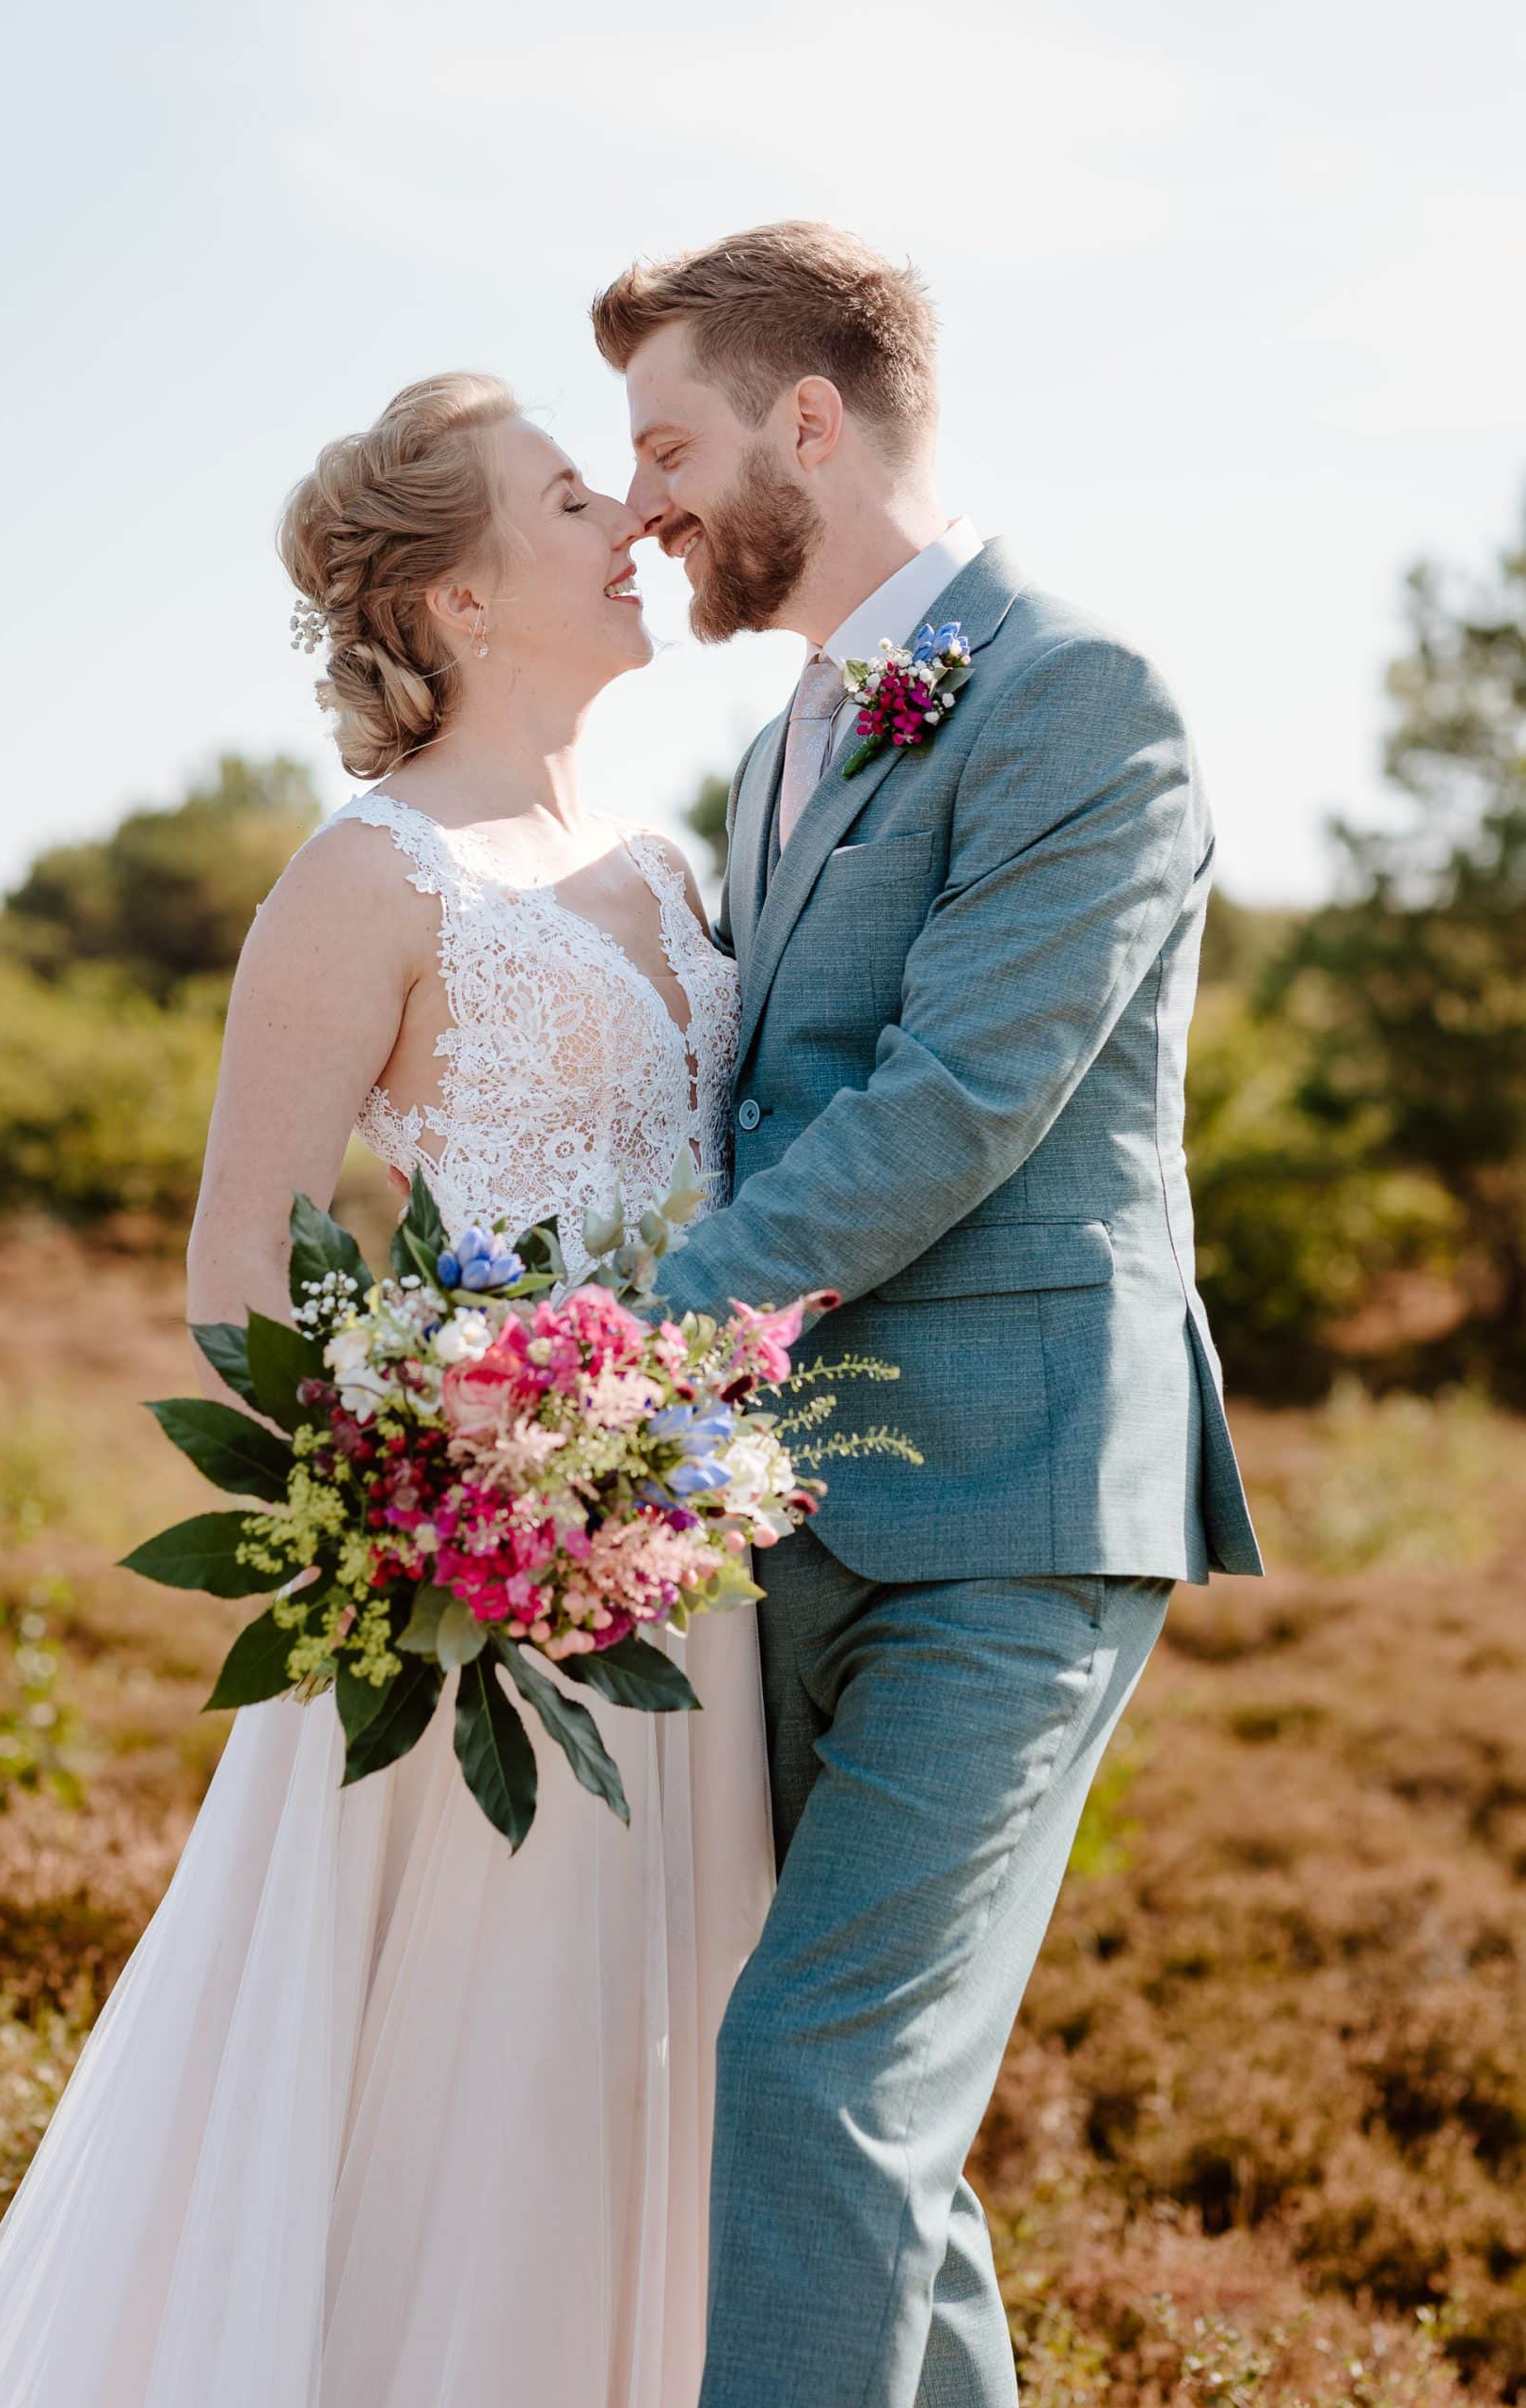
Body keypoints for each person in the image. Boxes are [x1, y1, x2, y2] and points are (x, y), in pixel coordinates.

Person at [0, 372, 772, 2407]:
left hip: (709, 1592)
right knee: (476, 2106)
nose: (630, 522)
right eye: (573, 500)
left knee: (684, 2067)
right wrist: (452, 1479)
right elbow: (243, 1283)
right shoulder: (363, 881)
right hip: (487, 1609)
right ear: (464, 599)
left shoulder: (671, 865)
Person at [587, 221, 1265, 2408]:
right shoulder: (785, 741)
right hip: (790, 1511)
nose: (645, 502)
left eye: (670, 442)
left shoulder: (1082, 693)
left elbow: (959, 1093)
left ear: (810, 415)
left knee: (810, 2076)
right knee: (876, 2128)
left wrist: (622, 1352)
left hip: (1010, 1504)